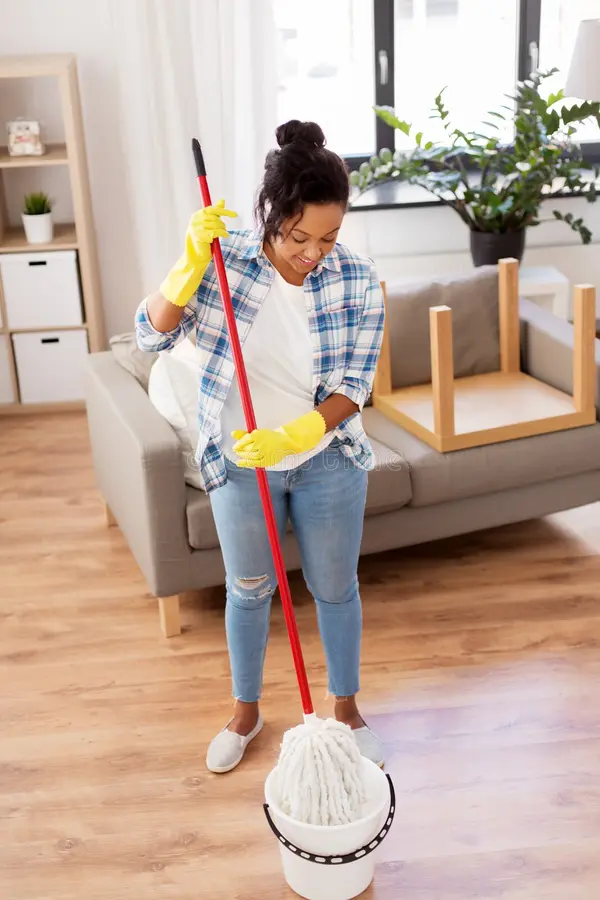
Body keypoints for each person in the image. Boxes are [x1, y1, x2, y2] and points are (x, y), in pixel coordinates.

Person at [135, 120, 386, 774]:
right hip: (244, 466)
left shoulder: (355, 278)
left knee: (337, 588)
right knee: (248, 590)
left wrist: (305, 430)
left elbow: (356, 384)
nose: (314, 253)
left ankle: (347, 710)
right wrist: (185, 268)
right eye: (299, 236)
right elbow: (151, 336)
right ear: (269, 219)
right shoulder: (225, 260)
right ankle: (246, 713)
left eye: (329, 237)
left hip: (328, 462)